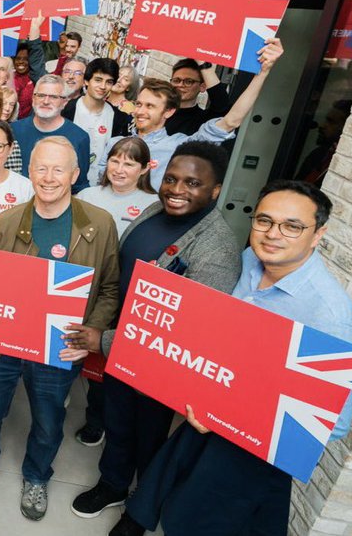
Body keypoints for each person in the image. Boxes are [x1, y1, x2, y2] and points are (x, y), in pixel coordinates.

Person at [111, 180, 352, 536]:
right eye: (264, 221)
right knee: (166, 487)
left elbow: (332, 424)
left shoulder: (330, 315)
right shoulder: (248, 261)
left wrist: (231, 418)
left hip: (252, 453)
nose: (273, 234)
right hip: (204, 419)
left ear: (318, 234)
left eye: (292, 226)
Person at [69, 141, 242, 523]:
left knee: (149, 438)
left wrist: (105, 341)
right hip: (124, 348)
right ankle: (113, 484)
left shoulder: (217, 249)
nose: (177, 190)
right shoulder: (153, 210)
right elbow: (122, 275)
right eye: (172, 179)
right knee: (117, 423)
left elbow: (190, 328)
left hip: (160, 361)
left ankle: (140, 509)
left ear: (215, 191)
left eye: (193, 183)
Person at [0, 136, 119, 521]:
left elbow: (109, 288)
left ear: (75, 174)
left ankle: (36, 476)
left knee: (48, 421)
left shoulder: (99, 224)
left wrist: (90, 333)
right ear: (29, 172)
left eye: (58, 169)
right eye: (41, 168)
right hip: (2, 345)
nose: (48, 177)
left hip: (59, 347)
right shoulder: (6, 224)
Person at [97, 39, 283, 190]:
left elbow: (231, 120)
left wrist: (263, 72)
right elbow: (97, 181)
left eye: (150, 106)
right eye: (138, 104)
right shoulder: (115, 143)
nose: (140, 111)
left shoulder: (179, 146)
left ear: (169, 112)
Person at [11, 74, 92, 191]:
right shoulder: (13, 130)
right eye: (41, 95)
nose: (46, 101)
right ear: (33, 99)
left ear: (64, 102)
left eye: (54, 97)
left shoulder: (79, 137)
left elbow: (80, 186)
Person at [61, 58, 133, 185]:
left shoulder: (118, 118)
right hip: (67, 182)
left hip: (99, 186)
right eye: (98, 80)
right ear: (87, 81)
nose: (103, 87)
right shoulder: (68, 109)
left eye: (109, 82)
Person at [77, 137, 157, 237]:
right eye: (115, 161)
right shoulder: (86, 196)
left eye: (128, 164)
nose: (119, 170)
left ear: (145, 168)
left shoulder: (154, 205)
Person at [164, 57, 231, 136]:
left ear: (202, 87)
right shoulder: (158, 110)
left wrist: (202, 64)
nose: (180, 85)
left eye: (188, 81)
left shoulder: (202, 120)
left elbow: (222, 104)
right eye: (176, 80)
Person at [12, 46, 36, 119]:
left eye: (25, 59)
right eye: (18, 59)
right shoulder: (8, 78)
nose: (21, 61)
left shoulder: (36, 78)